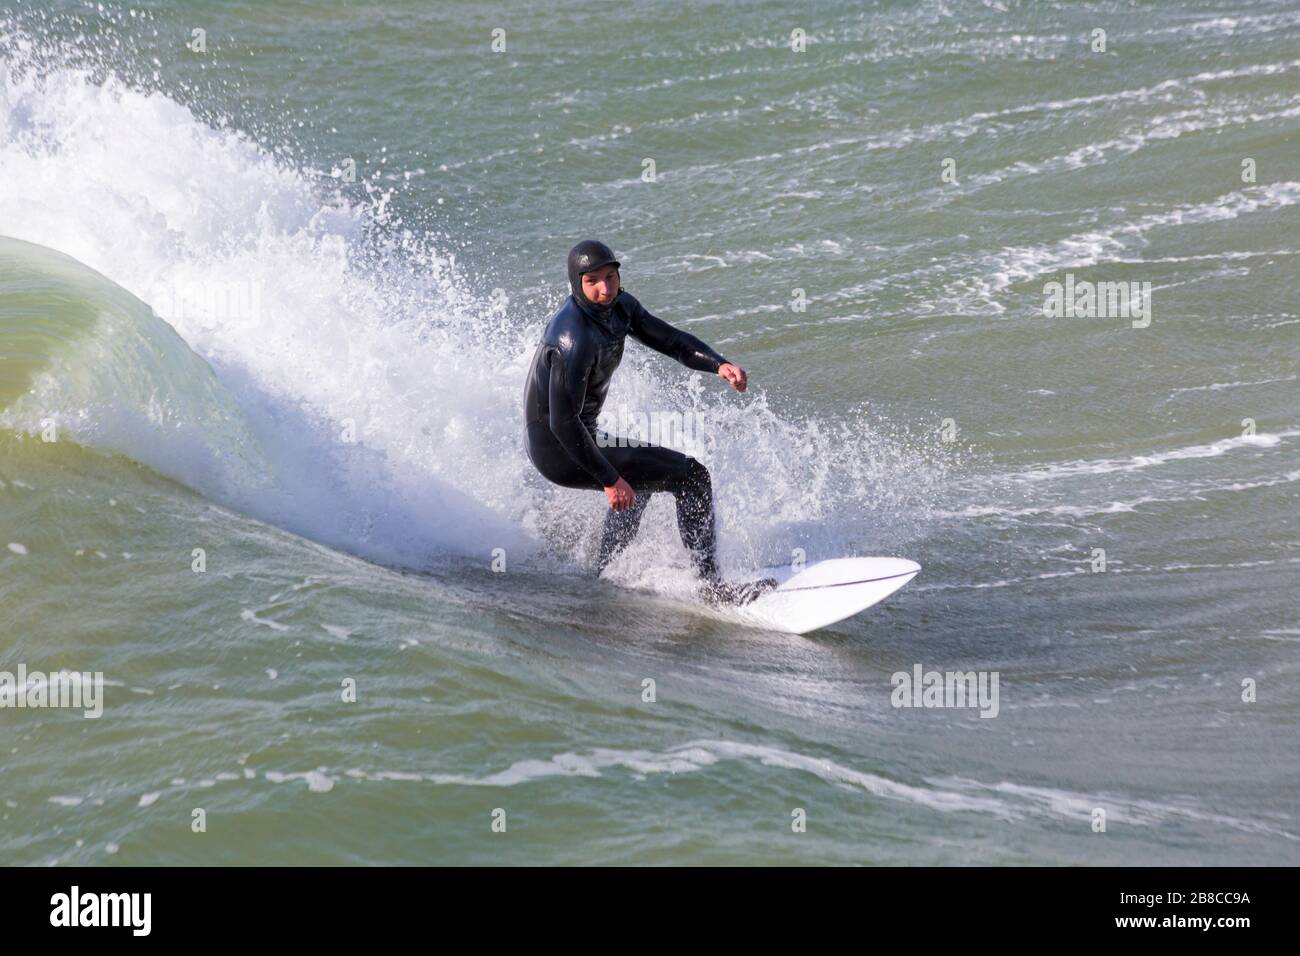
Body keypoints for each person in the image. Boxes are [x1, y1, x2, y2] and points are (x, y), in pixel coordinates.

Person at [522, 240, 774, 605]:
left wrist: (718, 364)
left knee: (641, 477)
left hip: (580, 435)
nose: (605, 289)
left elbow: (671, 341)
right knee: (691, 476)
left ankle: (605, 571)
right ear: (576, 283)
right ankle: (712, 586)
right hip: (558, 448)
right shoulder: (572, 338)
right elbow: (563, 423)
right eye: (593, 281)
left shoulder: (620, 308)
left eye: (611, 277)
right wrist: (609, 479)